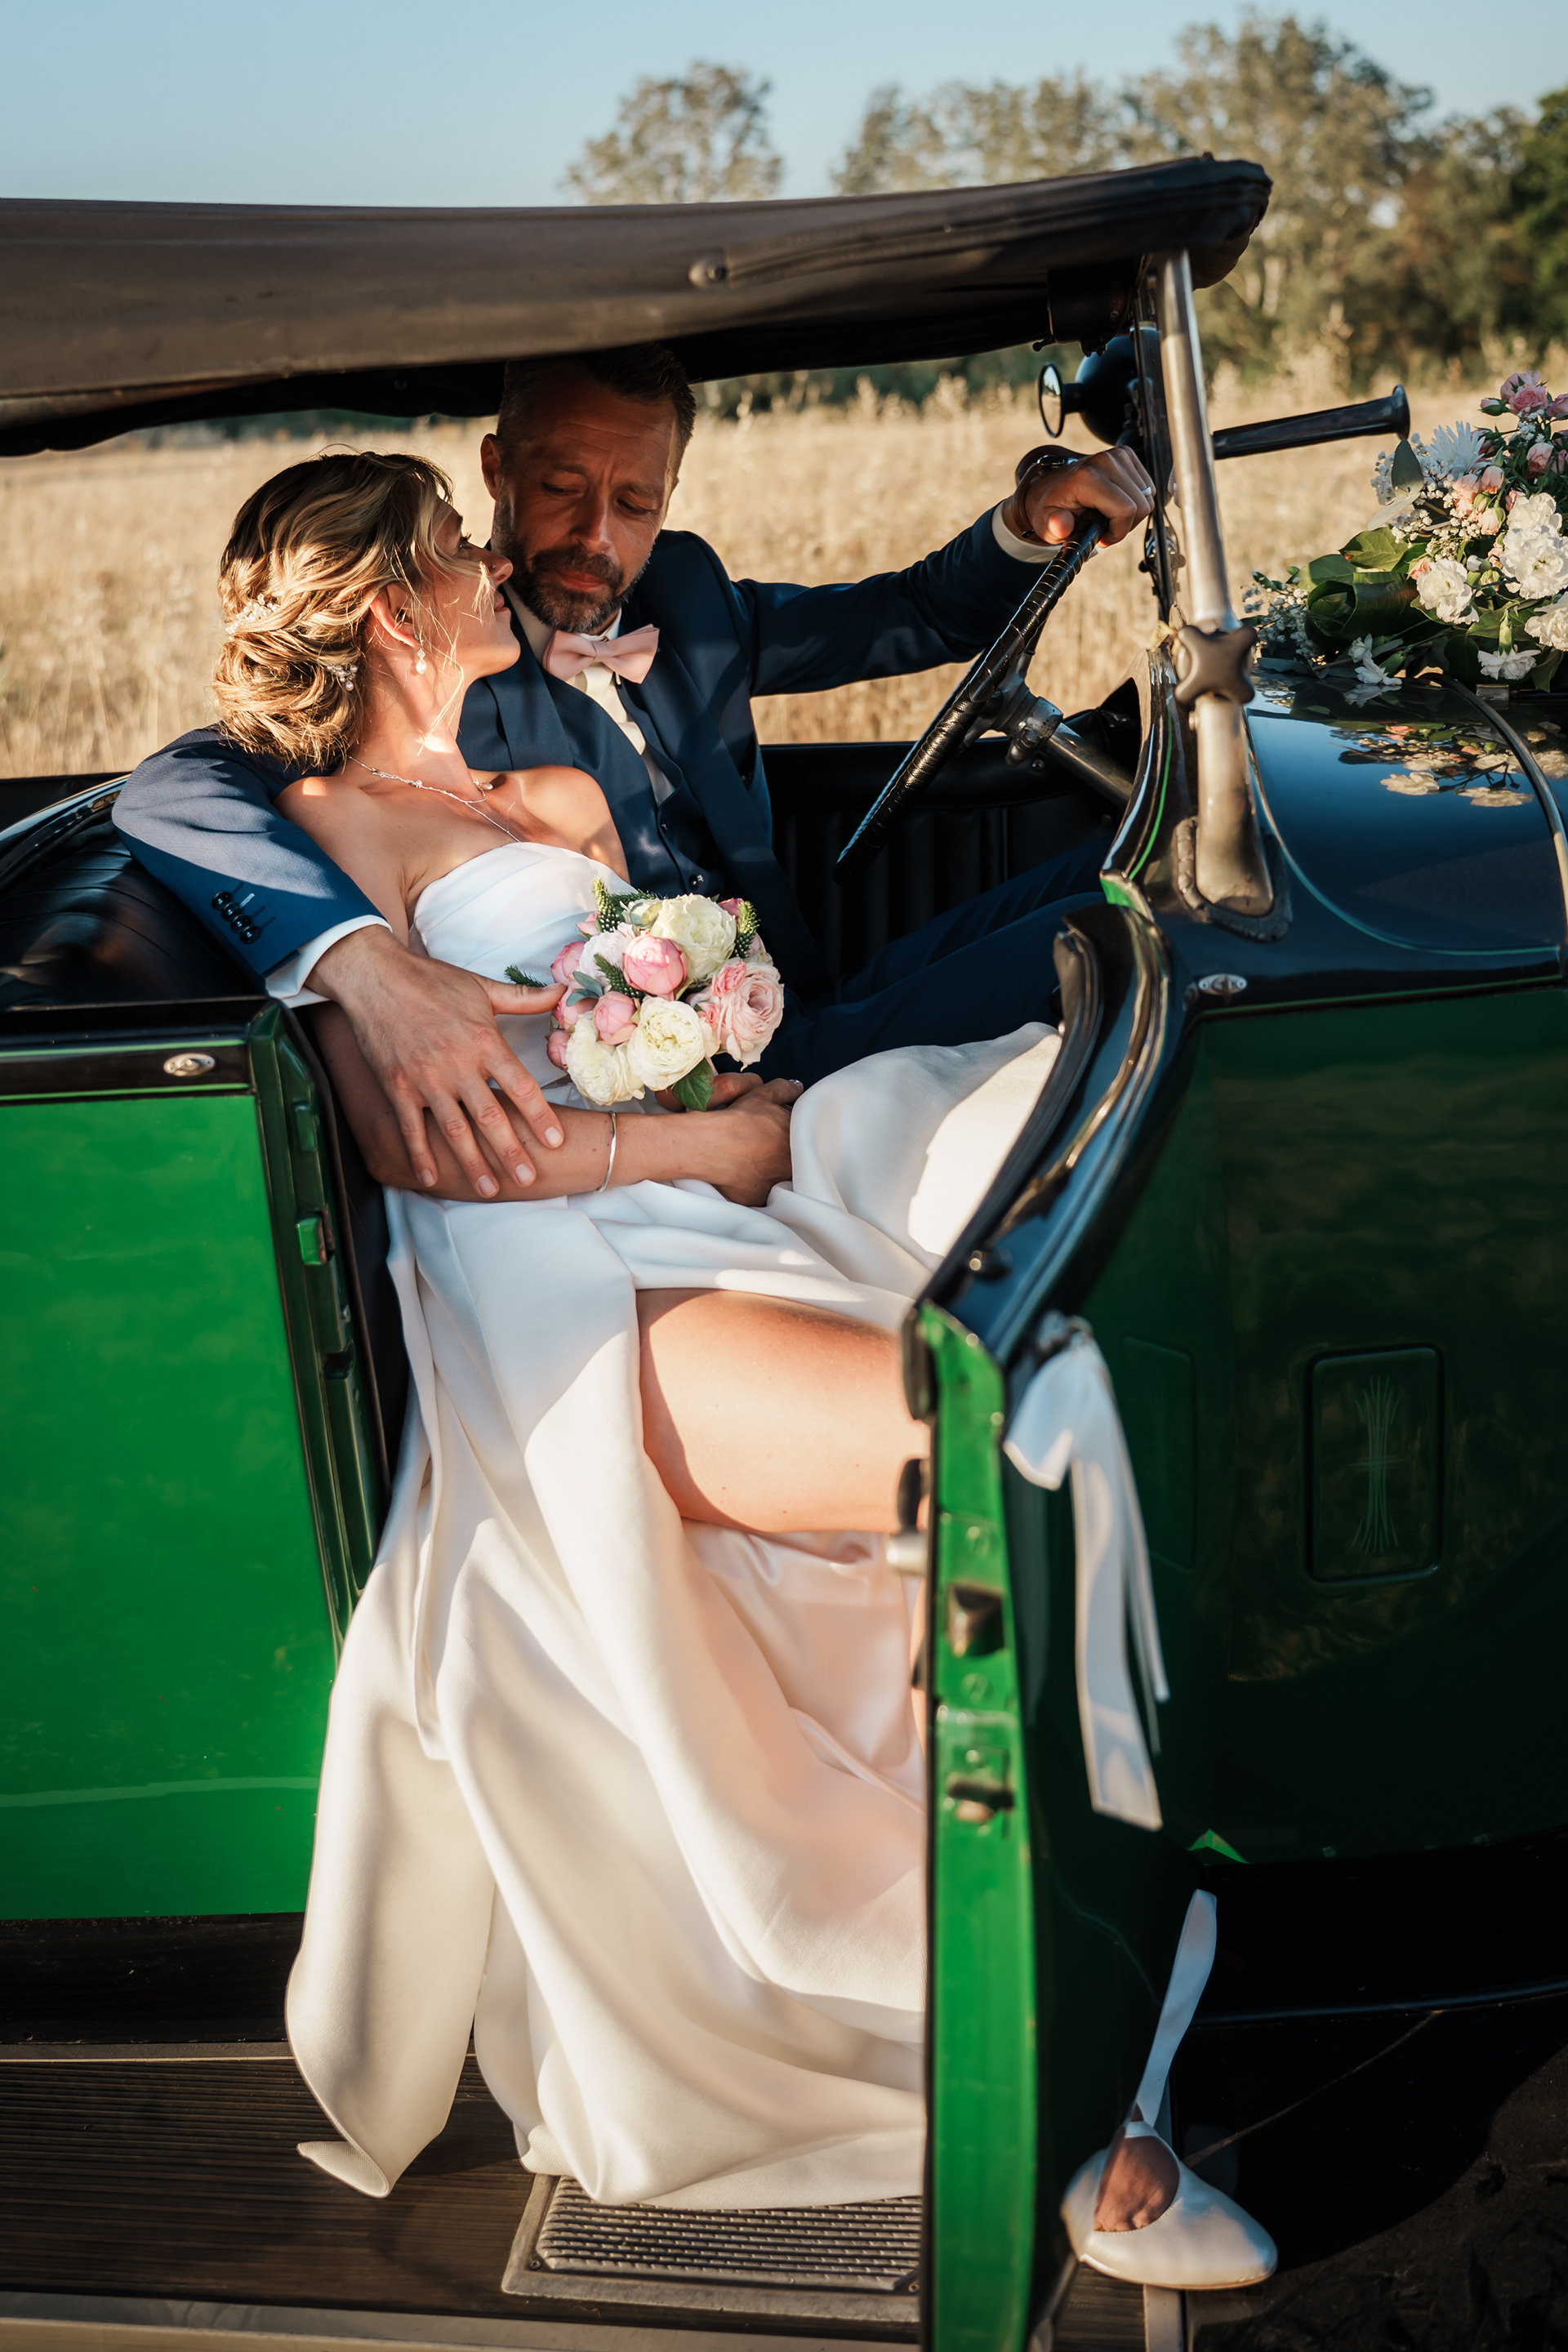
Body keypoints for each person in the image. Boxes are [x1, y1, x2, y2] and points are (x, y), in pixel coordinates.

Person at [114, 343, 1154, 1205]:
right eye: (562, 490)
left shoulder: (687, 591)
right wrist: (360, 962)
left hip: (802, 999)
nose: (596, 537)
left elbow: (909, 613)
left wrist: (1032, 518)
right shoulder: (420, 685)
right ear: (496, 470)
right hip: (683, 1087)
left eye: (636, 501)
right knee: (1118, 942)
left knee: (1141, 868)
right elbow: (174, 785)